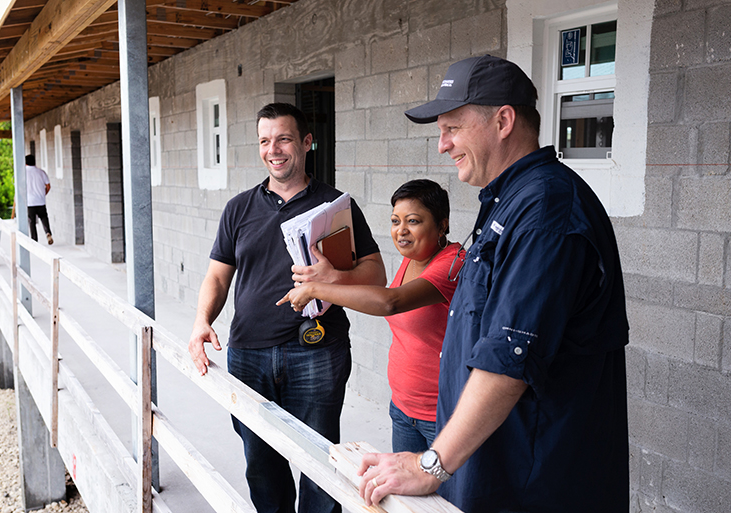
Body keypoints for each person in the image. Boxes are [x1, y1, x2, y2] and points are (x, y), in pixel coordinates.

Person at [356, 55, 629, 513]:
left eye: (453, 128)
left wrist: (430, 465)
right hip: (494, 469)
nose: (442, 145)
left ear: (503, 120)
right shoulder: (509, 201)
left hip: (533, 485)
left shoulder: (546, 211)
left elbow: (508, 359)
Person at [188, 103, 386, 513]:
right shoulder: (239, 208)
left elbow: (375, 274)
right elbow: (218, 277)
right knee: (260, 465)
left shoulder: (335, 206)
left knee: (320, 463)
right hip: (249, 354)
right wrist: (201, 321)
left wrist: (334, 278)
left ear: (306, 143)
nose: (273, 149)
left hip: (317, 351)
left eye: (283, 139)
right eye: (264, 140)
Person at [278, 179, 461, 453]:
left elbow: (390, 302)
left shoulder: (453, 263)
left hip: (441, 413)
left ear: (442, 224)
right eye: (395, 221)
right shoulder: (413, 258)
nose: (401, 231)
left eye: (413, 221)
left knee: (445, 496)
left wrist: (318, 289)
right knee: (406, 495)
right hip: (403, 408)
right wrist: (334, 280)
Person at [23, 154, 53, 244]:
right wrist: (43, 194)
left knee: (32, 221)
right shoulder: (41, 172)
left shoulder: (23, 173)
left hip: (29, 202)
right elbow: (48, 186)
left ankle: (34, 240)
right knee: (44, 217)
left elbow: (20, 187)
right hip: (40, 200)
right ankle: (48, 232)